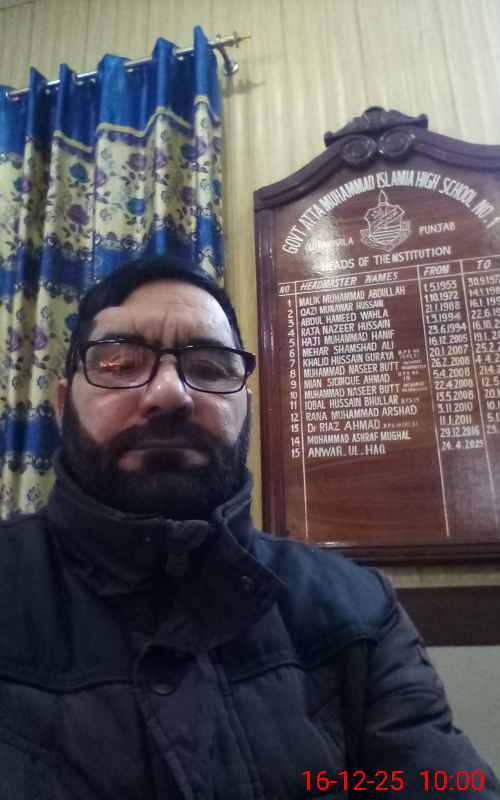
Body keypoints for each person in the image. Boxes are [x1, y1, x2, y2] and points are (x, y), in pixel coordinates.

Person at [0, 256, 498, 800]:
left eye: (210, 367)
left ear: (246, 409)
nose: (170, 393)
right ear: (61, 405)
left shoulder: (359, 612)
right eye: (119, 362)